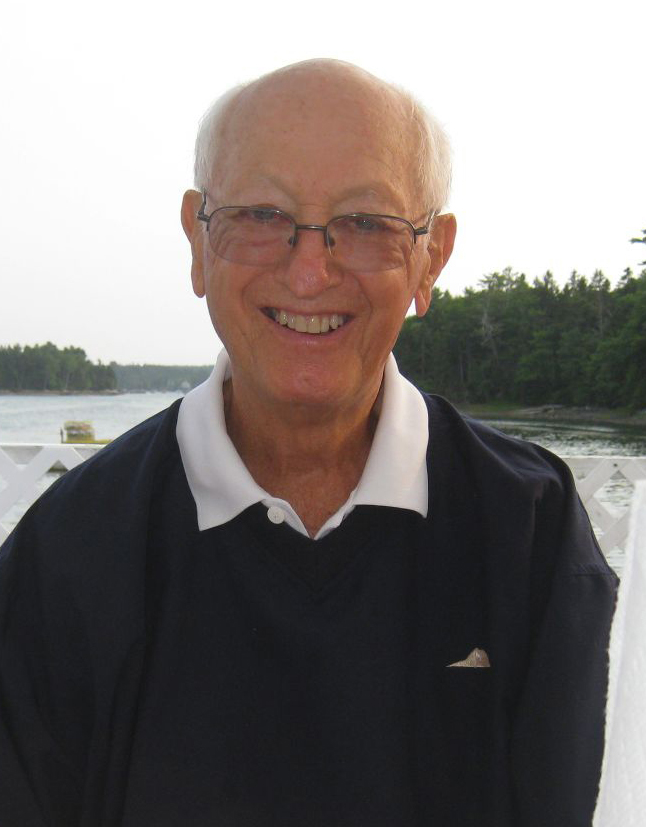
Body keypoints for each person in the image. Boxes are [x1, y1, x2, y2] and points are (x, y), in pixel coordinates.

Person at [0, 59, 617, 827]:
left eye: (365, 223)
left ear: (431, 256)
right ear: (198, 239)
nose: (308, 272)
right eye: (261, 214)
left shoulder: (531, 535)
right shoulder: (66, 555)